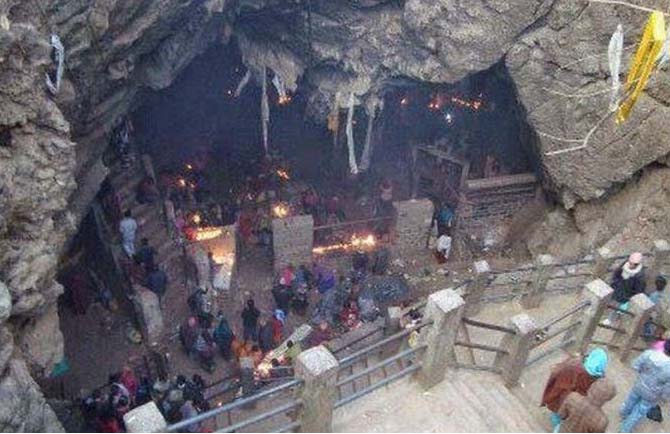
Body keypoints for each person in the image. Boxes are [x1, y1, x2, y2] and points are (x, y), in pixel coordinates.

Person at [541, 348, 609, 432]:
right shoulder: (599, 379)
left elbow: (556, 373)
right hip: (578, 405)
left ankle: (556, 425)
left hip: (561, 397)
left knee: (558, 416)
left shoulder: (574, 366)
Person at [619, 339, 670, 432]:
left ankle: (624, 413)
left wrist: (642, 373)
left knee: (631, 400)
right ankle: (625, 429)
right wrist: (664, 398)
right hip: (653, 394)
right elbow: (667, 388)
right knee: (639, 412)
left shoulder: (649, 354)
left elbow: (635, 365)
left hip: (639, 384)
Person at [606, 252, 646, 325]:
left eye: (634, 264)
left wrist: (631, 297)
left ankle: (611, 319)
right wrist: (616, 283)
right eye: (630, 263)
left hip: (626, 295)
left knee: (618, 307)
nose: (631, 265)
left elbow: (639, 290)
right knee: (614, 304)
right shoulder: (624, 265)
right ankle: (612, 317)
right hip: (618, 289)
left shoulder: (640, 276)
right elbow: (616, 274)